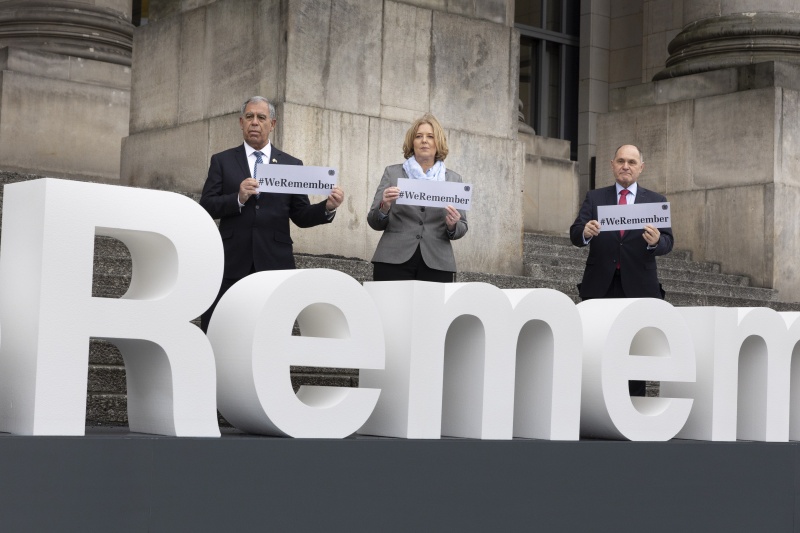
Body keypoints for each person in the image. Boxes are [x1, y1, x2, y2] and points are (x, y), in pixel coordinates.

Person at [199, 96, 344, 332]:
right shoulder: (222, 161)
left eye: (261, 117)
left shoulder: (291, 165)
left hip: (274, 261)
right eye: (249, 117)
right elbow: (206, 205)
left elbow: (300, 214)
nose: (254, 122)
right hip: (231, 261)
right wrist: (237, 198)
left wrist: (326, 208)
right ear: (241, 122)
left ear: (272, 124)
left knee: (270, 332)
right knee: (221, 329)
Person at [569, 144, 673, 396]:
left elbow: (668, 242)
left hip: (638, 286)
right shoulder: (595, 197)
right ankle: (593, 401)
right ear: (612, 164)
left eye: (631, 162)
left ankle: (633, 402)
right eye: (621, 161)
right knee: (596, 348)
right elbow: (575, 233)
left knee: (634, 350)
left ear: (641, 168)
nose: (626, 166)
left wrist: (655, 241)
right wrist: (584, 233)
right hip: (600, 284)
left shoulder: (656, 201)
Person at [367, 114, 468, 282]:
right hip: (392, 259)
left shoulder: (453, 179)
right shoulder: (392, 173)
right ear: (412, 142)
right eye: (418, 136)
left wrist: (452, 225)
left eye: (430, 136)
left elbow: (461, 228)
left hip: (437, 262)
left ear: (439, 142)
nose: (424, 141)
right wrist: (384, 207)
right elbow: (374, 222)